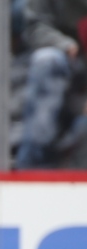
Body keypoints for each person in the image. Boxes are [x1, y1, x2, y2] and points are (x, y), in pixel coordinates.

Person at [15, 0, 87, 168]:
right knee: (47, 60)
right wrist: (64, 45)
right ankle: (34, 163)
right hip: (66, 70)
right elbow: (35, 28)